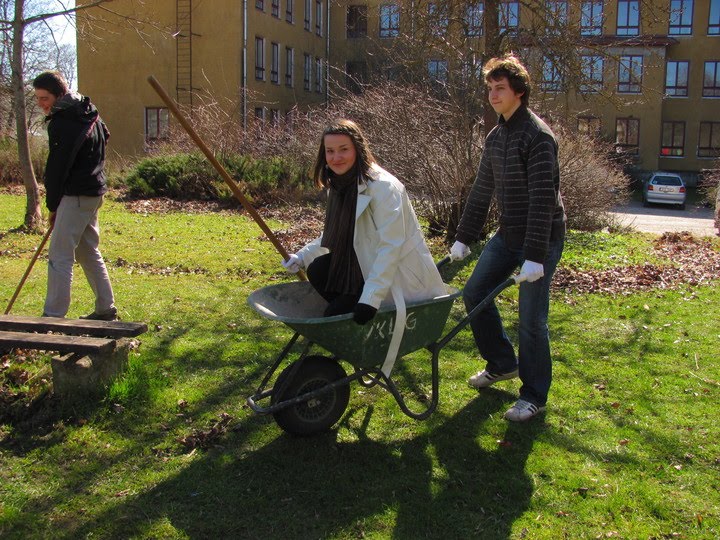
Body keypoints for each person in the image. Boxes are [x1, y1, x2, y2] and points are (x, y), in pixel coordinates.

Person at [450, 55, 566, 422]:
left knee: (531, 321)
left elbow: (543, 200)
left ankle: (534, 396)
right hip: (509, 234)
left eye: (500, 88)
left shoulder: (538, 136)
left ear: (519, 91)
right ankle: (502, 363)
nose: (493, 95)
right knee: (474, 293)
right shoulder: (496, 136)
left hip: (542, 239)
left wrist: (535, 256)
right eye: (489, 88)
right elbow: (482, 191)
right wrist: (463, 237)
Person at [282, 119, 447, 369]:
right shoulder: (340, 185)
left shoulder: (384, 188)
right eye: (330, 151)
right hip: (361, 265)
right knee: (317, 269)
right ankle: (356, 327)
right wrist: (302, 256)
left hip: (394, 276)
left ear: (358, 149)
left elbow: (391, 247)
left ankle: (362, 326)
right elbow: (339, 233)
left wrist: (370, 300)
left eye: (343, 149)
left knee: (333, 315)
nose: (336, 157)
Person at [33, 71, 117, 320]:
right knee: (87, 251)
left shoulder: (63, 121)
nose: (41, 104)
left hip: (76, 195)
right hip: (93, 192)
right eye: (38, 98)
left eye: (45, 98)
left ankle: (53, 316)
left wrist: (53, 205)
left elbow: (57, 168)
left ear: (59, 95)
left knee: (60, 256)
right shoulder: (89, 111)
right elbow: (105, 136)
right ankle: (106, 309)